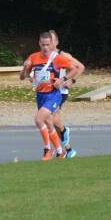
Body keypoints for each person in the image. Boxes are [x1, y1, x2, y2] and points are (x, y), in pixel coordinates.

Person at [20, 32, 80, 161]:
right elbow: (22, 77)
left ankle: (48, 150)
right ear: (39, 43)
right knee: (48, 123)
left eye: (48, 44)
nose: (45, 47)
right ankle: (60, 152)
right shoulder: (33, 57)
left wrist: (63, 79)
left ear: (52, 44)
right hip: (40, 95)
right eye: (43, 45)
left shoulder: (57, 58)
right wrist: (25, 68)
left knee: (38, 120)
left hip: (53, 95)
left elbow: (75, 69)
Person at [48, 30, 85, 158]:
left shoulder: (63, 55)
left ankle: (64, 131)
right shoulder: (44, 56)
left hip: (61, 91)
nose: (49, 43)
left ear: (56, 42)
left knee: (51, 118)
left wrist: (71, 81)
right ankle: (68, 150)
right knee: (52, 121)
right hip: (48, 91)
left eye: (51, 40)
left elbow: (80, 67)